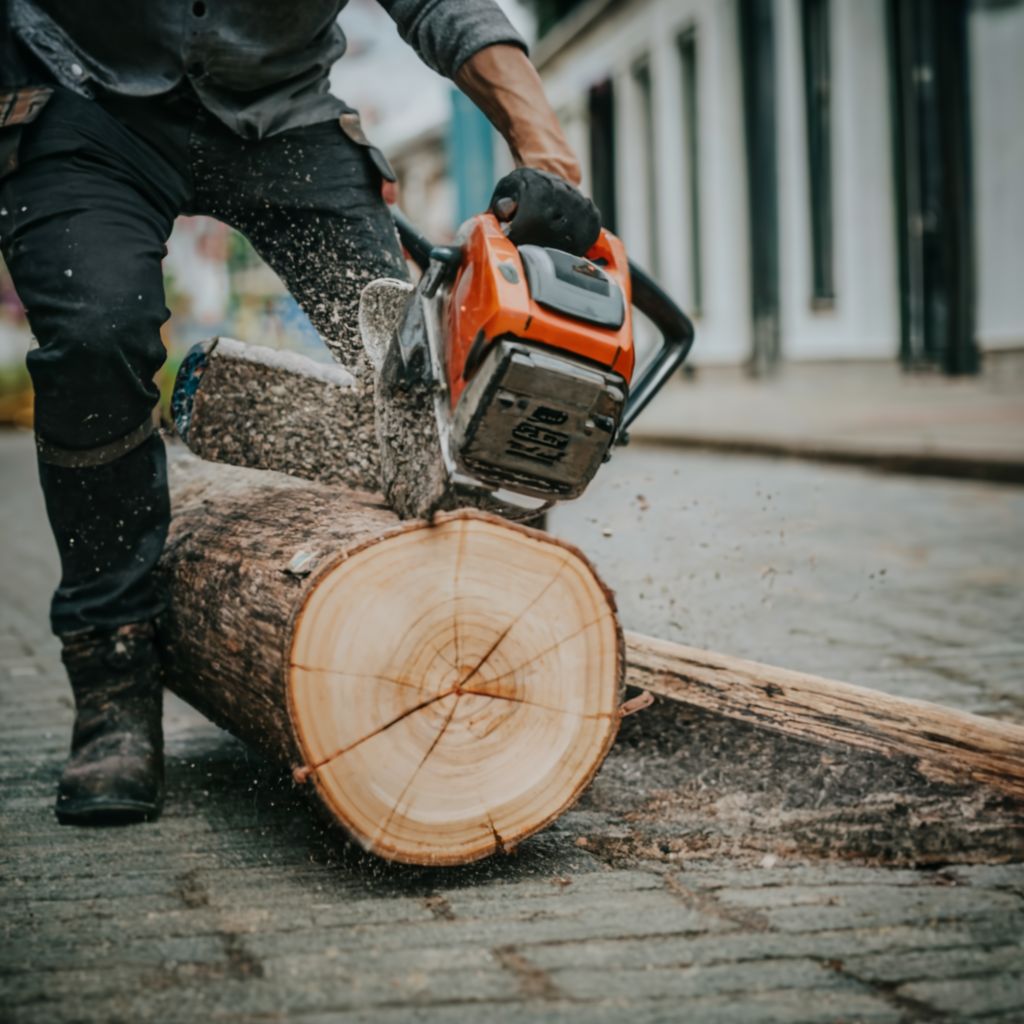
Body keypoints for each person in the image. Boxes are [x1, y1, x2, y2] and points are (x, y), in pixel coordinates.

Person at [0, 0, 599, 825]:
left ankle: (502, 640)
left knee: (409, 357)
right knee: (97, 336)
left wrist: (547, 150)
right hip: (84, 101)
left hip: (281, 118)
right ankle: (112, 674)